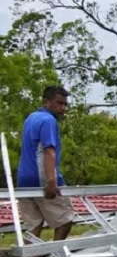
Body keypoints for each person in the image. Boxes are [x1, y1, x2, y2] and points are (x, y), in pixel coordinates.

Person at [15, 85, 74, 241]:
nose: (63, 107)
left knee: (33, 224)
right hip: (42, 177)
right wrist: (51, 181)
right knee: (65, 220)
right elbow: (48, 151)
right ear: (46, 102)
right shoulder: (48, 121)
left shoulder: (31, 118)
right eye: (59, 103)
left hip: (24, 180)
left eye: (65, 104)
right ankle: (56, 255)